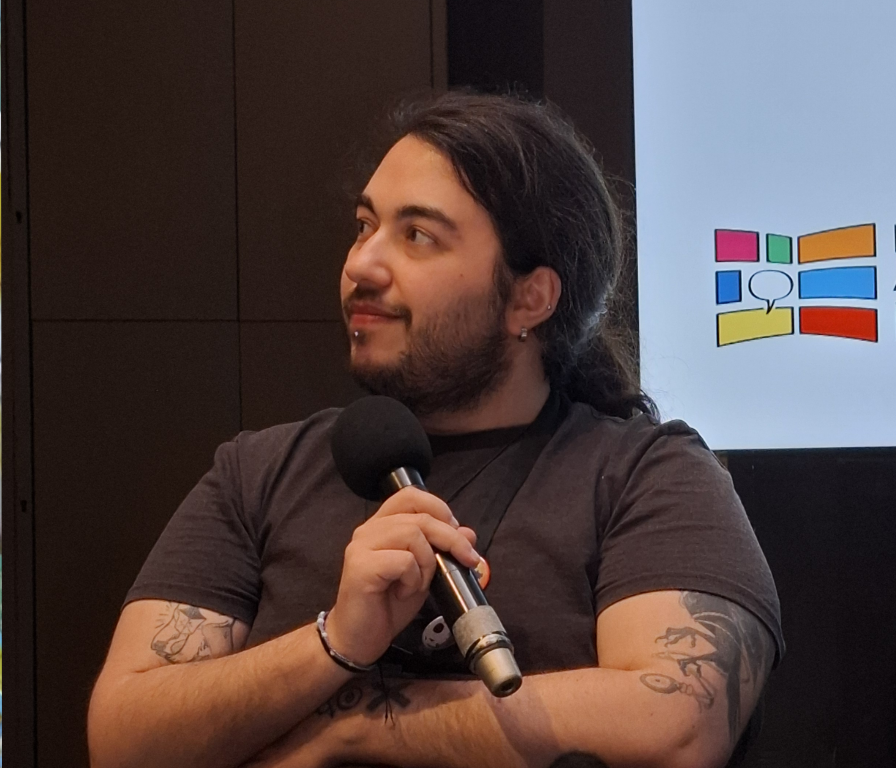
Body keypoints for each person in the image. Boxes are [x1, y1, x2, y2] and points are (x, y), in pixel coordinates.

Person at [88, 91, 783, 768]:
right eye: (364, 226)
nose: (361, 264)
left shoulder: (647, 477)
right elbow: (123, 740)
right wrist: (335, 643)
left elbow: (677, 727)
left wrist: (356, 729)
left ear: (530, 297)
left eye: (417, 236)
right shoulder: (260, 472)